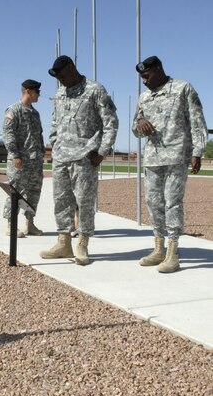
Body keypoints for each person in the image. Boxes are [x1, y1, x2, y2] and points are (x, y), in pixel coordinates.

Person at [132, 55, 208, 273]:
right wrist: (140, 122)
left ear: (159, 68)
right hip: (153, 158)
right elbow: (135, 128)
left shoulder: (183, 88)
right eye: (141, 78)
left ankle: (173, 252)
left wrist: (197, 152)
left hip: (177, 156)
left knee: (172, 202)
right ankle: (158, 248)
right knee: (153, 202)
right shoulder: (144, 98)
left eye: (147, 75)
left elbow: (197, 121)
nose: (144, 81)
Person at [40, 55, 118, 264]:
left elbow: (110, 122)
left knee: (84, 201)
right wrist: (54, 143)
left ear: (72, 67)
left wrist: (102, 151)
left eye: (63, 76)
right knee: (61, 200)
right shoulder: (60, 93)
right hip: (61, 157)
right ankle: (63, 243)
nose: (62, 81)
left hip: (85, 157)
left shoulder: (95, 90)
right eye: (58, 78)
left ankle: (82, 243)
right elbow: (55, 121)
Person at [2, 79, 45, 236]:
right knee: (15, 191)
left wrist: (41, 158)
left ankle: (30, 224)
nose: (39, 95)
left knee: (34, 192)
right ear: (28, 91)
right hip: (19, 160)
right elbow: (8, 134)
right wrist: (15, 155)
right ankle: (10, 224)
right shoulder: (14, 110)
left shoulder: (35, 113)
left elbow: (39, 137)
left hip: (35, 161)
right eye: (37, 92)